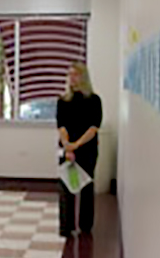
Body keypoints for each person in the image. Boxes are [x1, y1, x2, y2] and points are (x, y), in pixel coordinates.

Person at [56, 62, 103, 237]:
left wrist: (76, 145)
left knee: (86, 187)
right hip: (67, 150)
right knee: (67, 186)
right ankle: (66, 226)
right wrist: (67, 145)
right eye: (69, 74)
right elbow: (61, 126)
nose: (72, 78)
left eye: (75, 74)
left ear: (83, 77)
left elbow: (93, 128)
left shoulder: (94, 100)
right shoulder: (62, 101)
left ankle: (85, 225)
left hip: (87, 150)